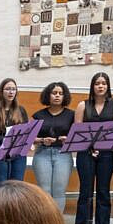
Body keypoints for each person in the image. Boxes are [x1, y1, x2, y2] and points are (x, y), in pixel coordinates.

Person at [74, 72, 113, 224]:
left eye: (103, 83)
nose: (101, 86)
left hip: (107, 154)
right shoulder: (82, 105)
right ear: (92, 86)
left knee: (103, 191)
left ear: (108, 86)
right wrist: (90, 146)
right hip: (85, 153)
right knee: (85, 190)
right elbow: (78, 132)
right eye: (97, 83)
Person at [31, 81, 74, 210]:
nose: (57, 95)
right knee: (44, 191)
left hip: (63, 153)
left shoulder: (71, 115)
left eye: (61, 93)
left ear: (64, 96)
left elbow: (78, 136)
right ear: (48, 95)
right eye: (54, 93)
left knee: (59, 190)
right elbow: (30, 138)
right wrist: (42, 140)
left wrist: (69, 139)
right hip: (42, 153)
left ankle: (57, 220)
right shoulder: (38, 115)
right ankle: (45, 220)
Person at [0, 78, 28, 187]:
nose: (11, 92)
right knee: (1, 184)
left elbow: (26, 130)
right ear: (1, 91)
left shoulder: (21, 110)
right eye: (8, 89)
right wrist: (7, 140)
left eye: (13, 89)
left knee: (17, 185)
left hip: (18, 151)